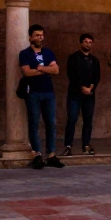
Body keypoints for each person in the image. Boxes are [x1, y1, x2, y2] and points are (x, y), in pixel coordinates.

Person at [19, 24, 63, 171]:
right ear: (30, 37)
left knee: (51, 123)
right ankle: (38, 155)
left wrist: (39, 68)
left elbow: (56, 70)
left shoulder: (48, 52)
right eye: (37, 35)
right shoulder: (25, 54)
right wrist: (46, 70)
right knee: (34, 124)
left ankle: (51, 155)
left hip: (48, 92)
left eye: (42, 35)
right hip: (33, 93)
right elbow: (26, 72)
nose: (40, 37)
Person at [63, 32, 101, 156]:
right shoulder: (73, 58)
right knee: (72, 119)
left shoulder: (94, 60)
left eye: (90, 42)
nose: (88, 44)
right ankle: (68, 146)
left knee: (88, 120)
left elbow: (97, 77)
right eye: (86, 42)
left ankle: (86, 145)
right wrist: (82, 87)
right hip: (75, 94)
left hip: (89, 95)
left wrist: (90, 88)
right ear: (80, 43)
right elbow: (71, 75)